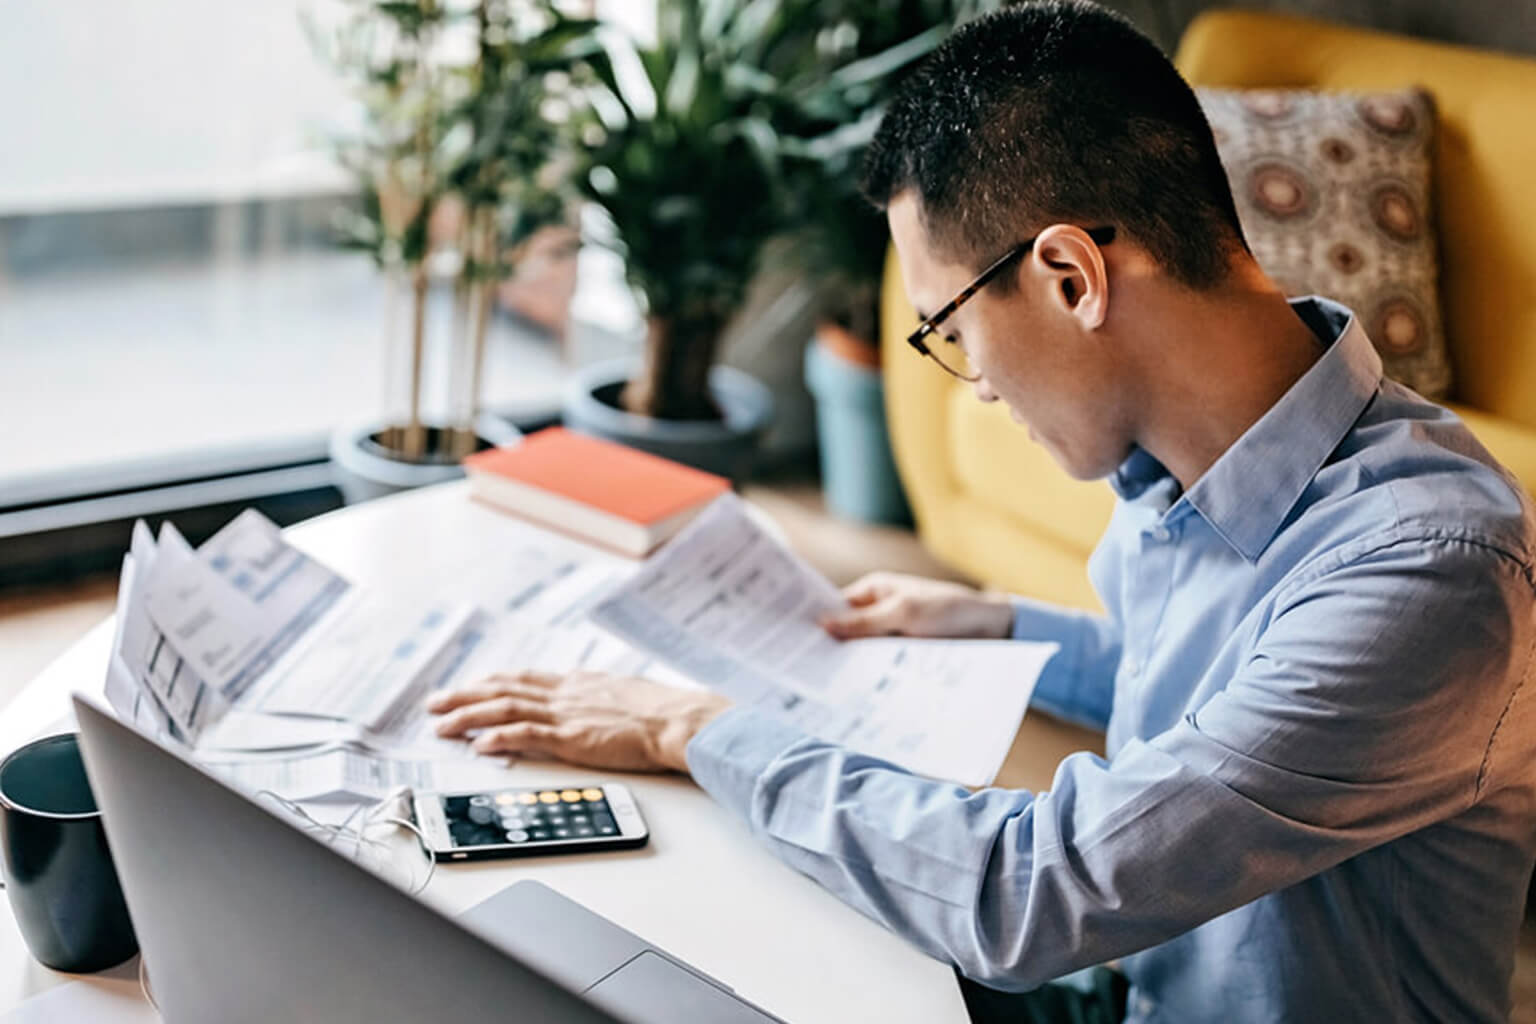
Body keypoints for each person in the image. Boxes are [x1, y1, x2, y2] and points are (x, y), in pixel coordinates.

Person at [427, 3, 1536, 1021]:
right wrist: (997, 624)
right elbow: (1209, 682)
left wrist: (691, 728)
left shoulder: (1429, 573)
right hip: (1136, 993)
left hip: (1115, 963)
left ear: (1070, 276)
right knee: (731, 937)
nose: (978, 380)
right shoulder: (1202, 460)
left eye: (949, 329)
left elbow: (1037, 891)